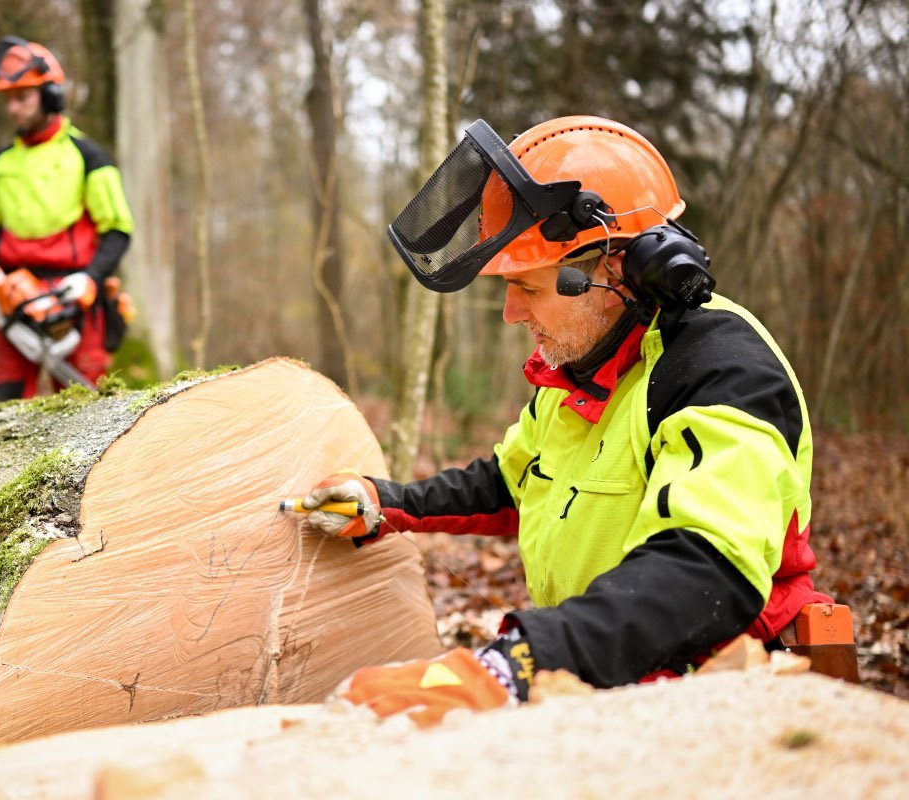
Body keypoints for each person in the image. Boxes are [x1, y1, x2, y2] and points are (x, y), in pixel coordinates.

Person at [302, 116, 833, 727]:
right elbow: (510, 483)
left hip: (707, 679)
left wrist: (524, 659)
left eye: (528, 286)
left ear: (612, 269)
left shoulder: (725, 371)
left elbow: (705, 569)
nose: (510, 312)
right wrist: (386, 502)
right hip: (592, 669)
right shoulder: (579, 362)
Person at [0, 37, 135, 401]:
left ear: (50, 95)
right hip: (13, 296)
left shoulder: (89, 157)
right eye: (8, 99)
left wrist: (91, 278)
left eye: (22, 97)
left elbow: (118, 229)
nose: (13, 108)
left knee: (86, 403)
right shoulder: (1, 163)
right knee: (4, 404)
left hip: (72, 299)